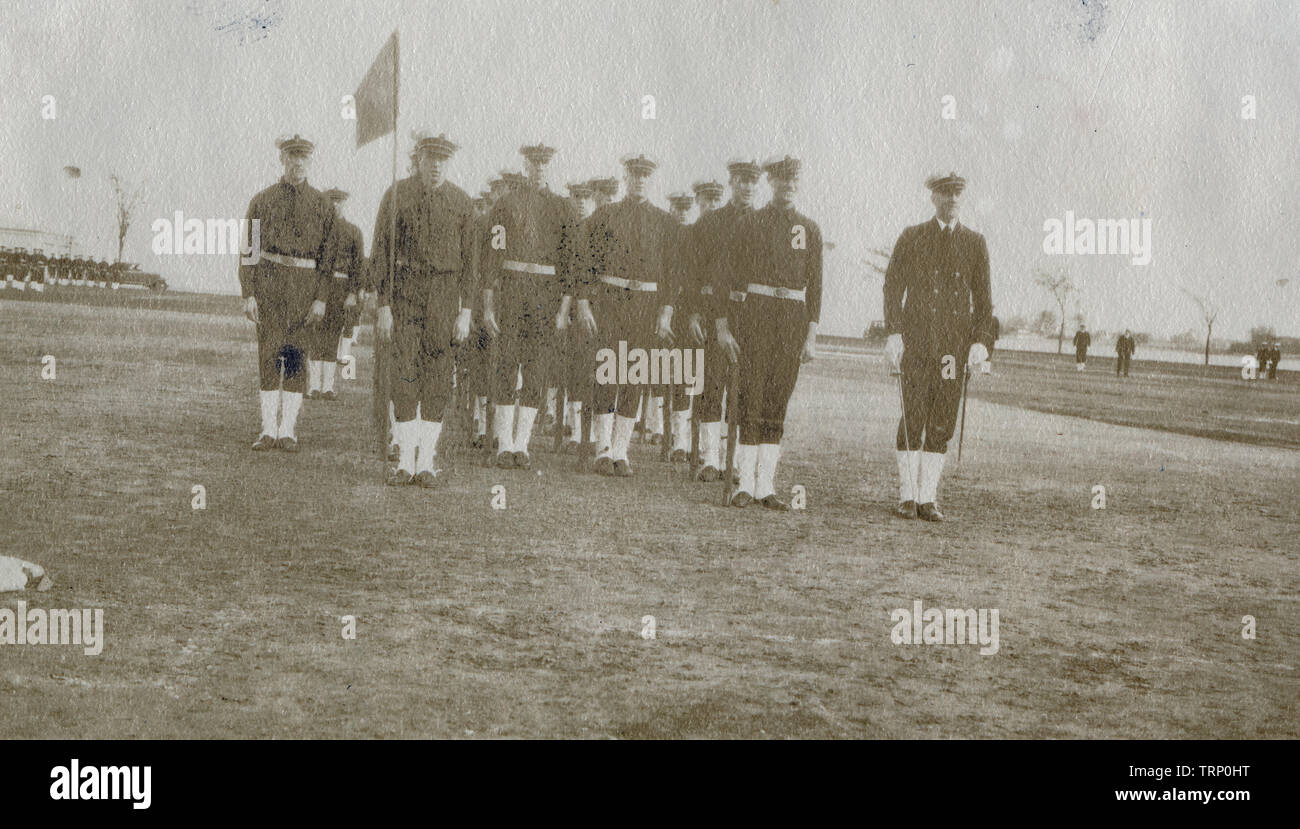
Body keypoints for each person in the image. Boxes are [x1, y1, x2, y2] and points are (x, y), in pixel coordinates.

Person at [883, 171, 994, 522]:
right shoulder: (912, 237)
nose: (951, 200)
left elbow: (984, 301)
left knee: (942, 422)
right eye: (944, 195)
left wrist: (980, 342)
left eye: (957, 195)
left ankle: (928, 498)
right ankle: (907, 496)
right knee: (912, 418)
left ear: (962, 199)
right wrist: (894, 332)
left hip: (952, 351)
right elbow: (892, 288)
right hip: (916, 346)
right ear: (933, 198)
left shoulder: (975, 243)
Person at [372, 131, 477, 487]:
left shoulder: (462, 203)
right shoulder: (397, 195)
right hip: (405, 293)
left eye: (442, 160)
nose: (435, 166)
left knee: (436, 380)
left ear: (449, 163)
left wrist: (466, 312)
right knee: (403, 376)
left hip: (444, 298)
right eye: (429, 159)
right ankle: (404, 460)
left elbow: (471, 264)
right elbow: (381, 253)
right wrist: (383, 304)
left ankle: (427, 462)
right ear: (418, 160)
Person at [721, 155, 822, 510]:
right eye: (781, 181)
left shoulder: (809, 229)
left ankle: (766, 486)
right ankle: (744, 483)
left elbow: (816, 289)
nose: (788, 187)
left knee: (777, 402)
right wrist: (723, 326)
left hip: (791, 323)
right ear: (771, 184)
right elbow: (728, 278)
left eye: (793, 181)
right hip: (756, 318)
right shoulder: (751, 223)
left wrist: (810, 336)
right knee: (751, 398)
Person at [577, 153, 677, 477]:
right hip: (609, 300)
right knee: (607, 372)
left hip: (646, 306)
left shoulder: (664, 221)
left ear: (652, 179)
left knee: (635, 377)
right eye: (635, 175)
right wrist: (583, 302)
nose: (640, 180)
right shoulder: (606, 215)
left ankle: (622, 450)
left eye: (646, 175)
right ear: (626, 177)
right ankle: (602, 449)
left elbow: (673, 273)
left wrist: (666, 312)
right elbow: (583, 260)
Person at [481, 143, 580, 470]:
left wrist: (564, 309)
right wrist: (488, 304)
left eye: (544, 163)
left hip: (546, 295)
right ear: (524, 164)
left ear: (549, 166)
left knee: (536, 370)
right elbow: (492, 257)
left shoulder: (563, 208)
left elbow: (570, 264)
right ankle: (503, 443)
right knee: (506, 365)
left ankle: (522, 444)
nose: (538, 168)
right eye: (533, 163)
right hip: (510, 291)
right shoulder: (505, 204)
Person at [238, 134, 336, 452]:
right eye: (292, 156)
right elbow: (249, 252)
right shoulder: (262, 200)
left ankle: (288, 431)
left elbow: (328, 260)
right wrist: (248, 293)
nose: (298, 162)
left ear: (311, 161)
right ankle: (268, 430)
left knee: (295, 357)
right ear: (282, 159)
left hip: (304, 290)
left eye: (304, 157)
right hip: (269, 285)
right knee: (269, 357)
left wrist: (321, 298)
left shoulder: (322, 205)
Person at [689, 159, 760, 482]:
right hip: (713, 308)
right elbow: (694, 273)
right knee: (711, 384)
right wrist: (693, 312)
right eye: (741, 180)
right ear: (731, 182)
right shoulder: (711, 222)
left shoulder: (764, 222)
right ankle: (710, 459)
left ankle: (735, 460)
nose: (746, 186)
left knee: (744, 388)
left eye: (752, 181)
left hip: (752, 314)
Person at [307, 188, 363, 401]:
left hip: (341, 287)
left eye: (339, 202)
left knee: (332, 336)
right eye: (331, 201)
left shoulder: (353, 231)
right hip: (319, 287)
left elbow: (358, 266)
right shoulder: (317, 230)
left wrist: (353, 293)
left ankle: (327, 387)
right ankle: (313, 386)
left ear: (344, 203)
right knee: (315, 336)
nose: (335, 205)